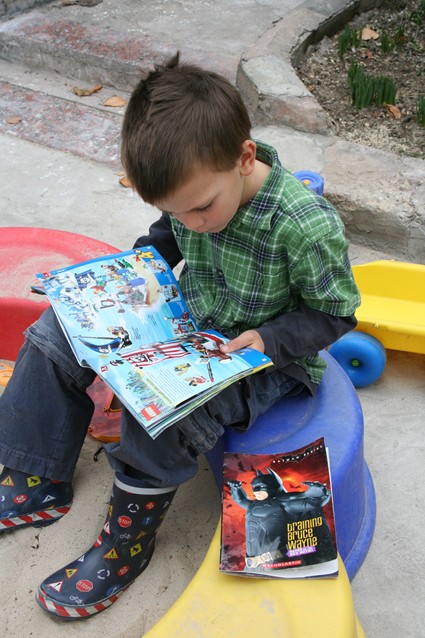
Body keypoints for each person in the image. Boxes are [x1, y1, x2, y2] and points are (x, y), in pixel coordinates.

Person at [0, 52, 360, 619]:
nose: (190, 222)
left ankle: (128, 542)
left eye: (199, 209)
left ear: (244, 158)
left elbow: (337, 314)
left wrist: (268, 339)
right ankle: (34, 472)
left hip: (265, 358)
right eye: (175, 210)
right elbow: (165, 234)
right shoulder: (194, 195)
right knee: (54, 331)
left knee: (161, 408)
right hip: (191, 322)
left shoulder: (304, 226)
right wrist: (133, 276)